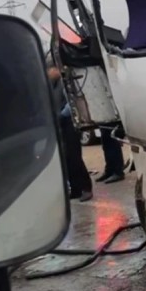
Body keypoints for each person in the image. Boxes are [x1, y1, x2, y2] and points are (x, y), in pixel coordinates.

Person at [48, 67, 93, 202]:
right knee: (66, 158)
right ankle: (75, 188)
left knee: (74, 157)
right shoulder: (51, 85)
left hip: (70, 122)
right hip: (60, 124)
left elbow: (71, 103)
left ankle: (86, 188)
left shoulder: (64, 83)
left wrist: (61, 115)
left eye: (49, 70)